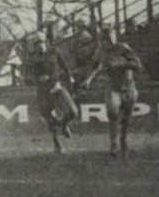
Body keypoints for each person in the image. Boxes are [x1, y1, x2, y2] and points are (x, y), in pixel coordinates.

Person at [83, 27, 144, 158]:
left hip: (129, 87)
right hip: (113, 87)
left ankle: (123, 139)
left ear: (113, 39)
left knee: (126, 119)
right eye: (103, 40)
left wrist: (120, 63)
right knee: (113, 114)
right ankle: (113, 143)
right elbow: (95, 65)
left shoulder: (123, 48)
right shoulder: (100, 50)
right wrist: (88, 79)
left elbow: (137, 64)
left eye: (107, 40)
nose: (105, 43)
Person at [29, 33, 78, 154]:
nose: (40, 46)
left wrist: (69, 77)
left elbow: (64, 65)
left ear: (46, 42)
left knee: (73, 111)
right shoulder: (32, 58)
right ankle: (57, 145)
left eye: (41, 42)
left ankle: (63, 125)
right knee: (48, 117)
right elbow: (27, 75)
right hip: (43, 91)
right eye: (37, 44)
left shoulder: (54, 52)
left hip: (57, 87)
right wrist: (37, 79)